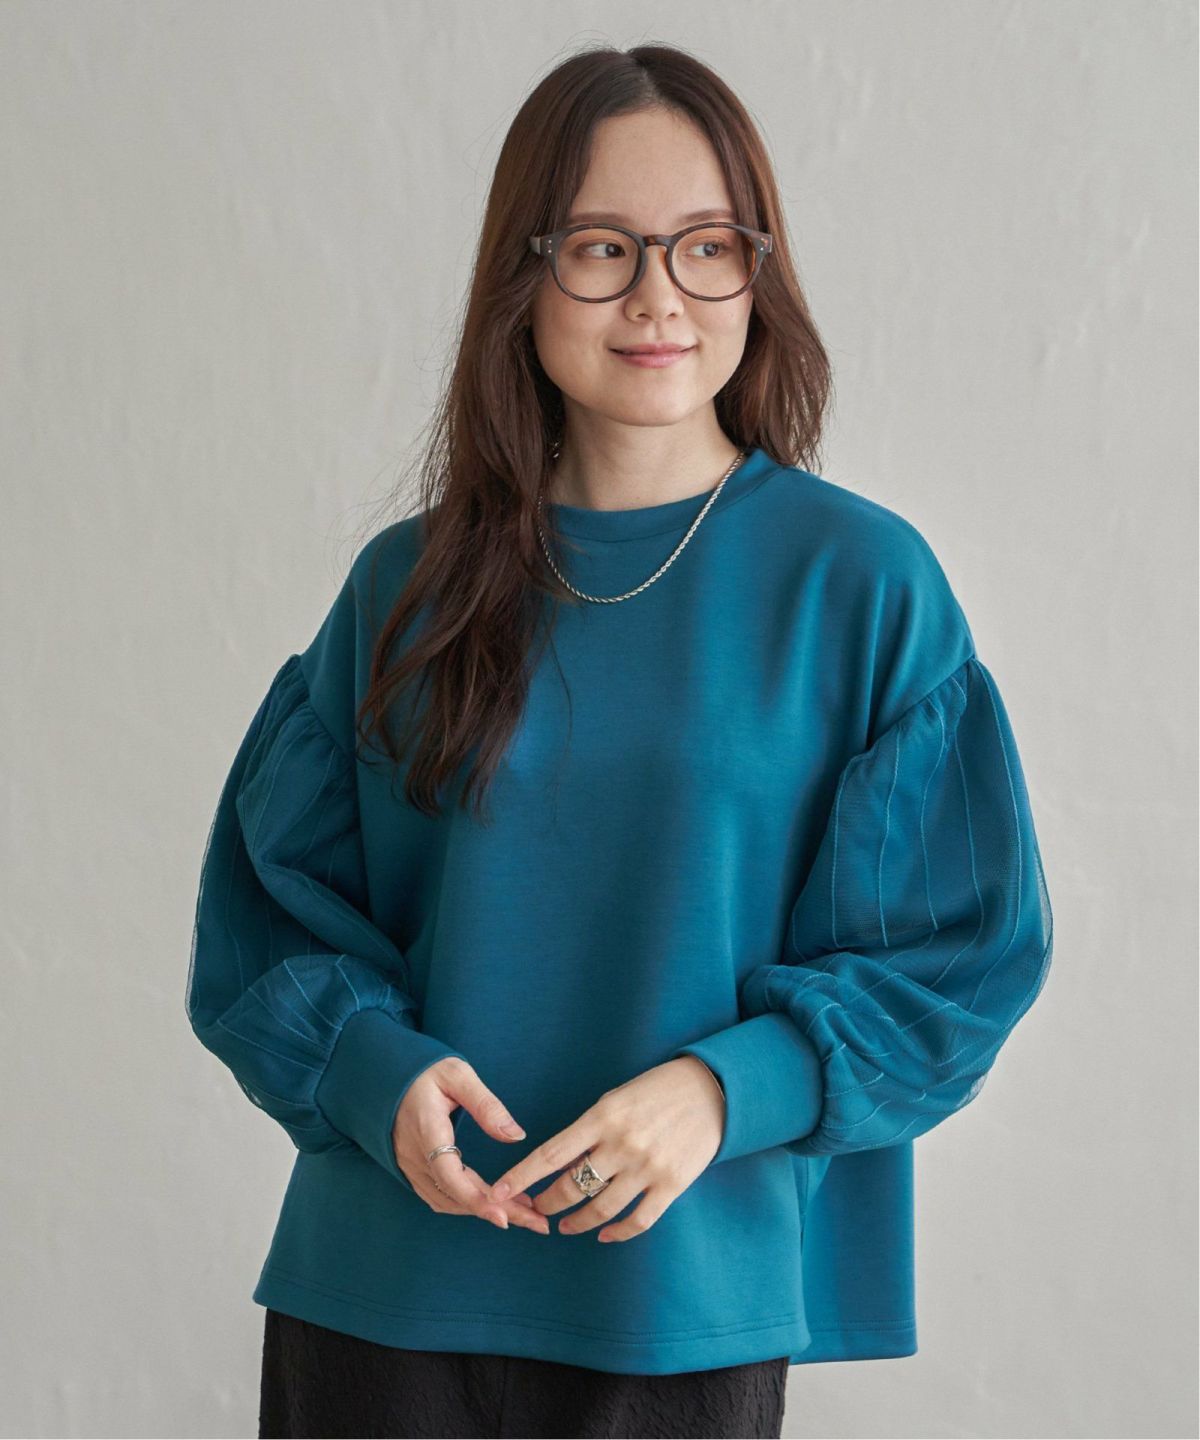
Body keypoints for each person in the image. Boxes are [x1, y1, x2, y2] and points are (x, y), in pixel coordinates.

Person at [186, 41, 1054, 1440]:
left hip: (682, 1296)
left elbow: (958, 954)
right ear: (524, 277)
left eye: (707, 246)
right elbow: (266, 912)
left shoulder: (860, 585)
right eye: (602, 247)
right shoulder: (404, 587)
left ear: (757, 275)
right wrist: (371, 1072)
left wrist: (725, 1090)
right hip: (383, 1296)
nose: (659, 295)